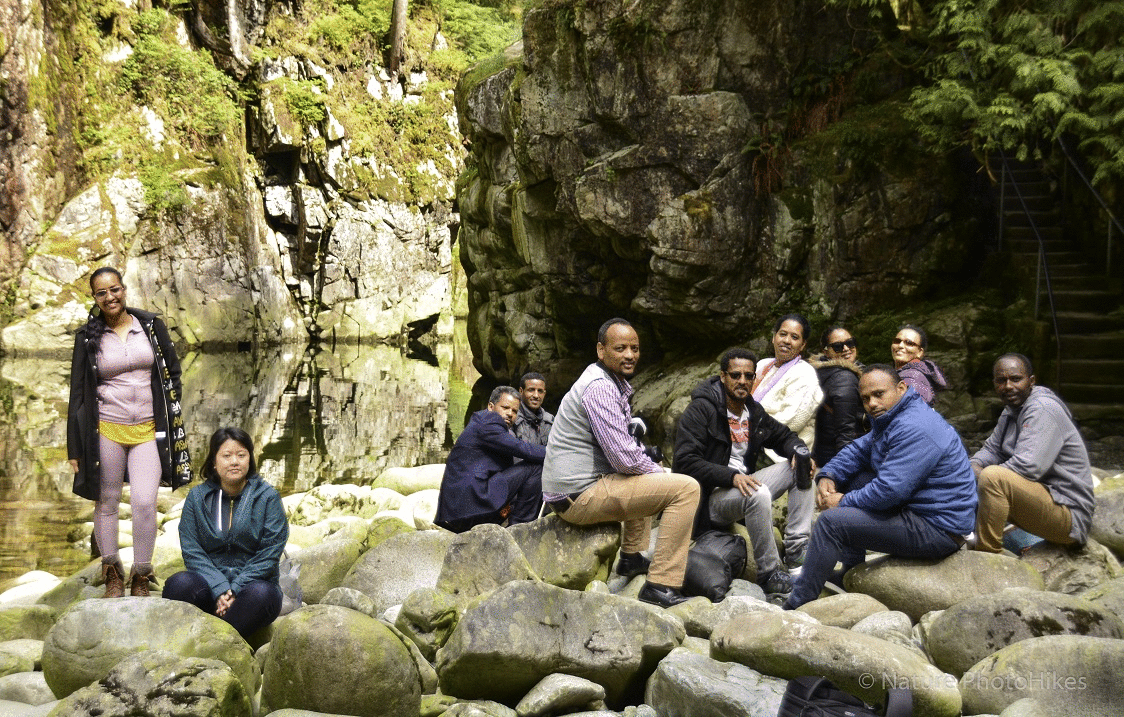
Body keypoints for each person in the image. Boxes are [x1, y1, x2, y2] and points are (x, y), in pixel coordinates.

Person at [782, 365, 977, 610]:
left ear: (901, 388)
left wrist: (841, 501)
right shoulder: (892, 417)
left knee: (830, 523)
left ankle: (797, 605)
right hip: (918, 510)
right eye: (865, 398)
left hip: (939, 529)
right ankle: (850, 575)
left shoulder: (915, 426)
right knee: (854, 479)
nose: (872, 403)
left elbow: (890, 491)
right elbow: (859, 450)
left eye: (878, 394)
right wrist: (829, 476)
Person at [542, 318, 700, 608]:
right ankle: (661, 585)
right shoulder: (600, 387)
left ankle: (631, 558)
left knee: (646, 476)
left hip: (573, 490)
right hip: (577, 495)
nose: (630, 355)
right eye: (621, 348)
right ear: (601, 350)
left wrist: (653, 472)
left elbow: (624, 453)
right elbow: (625, 459)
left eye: (635, 348)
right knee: (686, 489)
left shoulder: (605, 380)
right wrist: (661, 473)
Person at [66, 266, 192, 598]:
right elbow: (77, 395)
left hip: (148, 431)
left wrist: (170, 416)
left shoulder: (150, 326)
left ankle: (141, 574)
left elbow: (173, 374)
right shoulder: (87, 338)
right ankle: (112, 575)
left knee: (145, 502)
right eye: (101, 292)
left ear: (124, 290)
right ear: (94, 298)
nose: (110, 296)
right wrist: (74, 449)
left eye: (115, 289)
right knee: (106, 502)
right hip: (106, 429)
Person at [673, 347, 810, 598]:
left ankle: (796, 550)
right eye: (736, 375)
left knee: (800, 465)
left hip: (741, 486)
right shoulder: (702, 409)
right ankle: (769, 573)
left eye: (749, 376)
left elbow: (783, 436)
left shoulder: (752, 411)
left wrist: (798, 450)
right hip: (710, 499)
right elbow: (684, 461)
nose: (742, 381)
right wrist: (730, 476)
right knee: (758, 494)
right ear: (723, 376)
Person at [164, 428, 287, 638]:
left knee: (261, 594)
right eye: (226, 455)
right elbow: (192, 550)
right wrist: (220, 588)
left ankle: (219, 639)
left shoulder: (268, 497)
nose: (234, 462)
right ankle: (228, 630)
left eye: (241, 455)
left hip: (253, 590)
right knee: (179, 585)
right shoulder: (197, 497)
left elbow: (270, 552)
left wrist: (236, 589)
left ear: (250, 459)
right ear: (214, 460)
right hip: (208, 588)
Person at [970, 354, 1095, 553]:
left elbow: (1028, 467)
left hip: (1069, 516)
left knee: (992, 478)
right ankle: (959, 536)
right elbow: (992, 449)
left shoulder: (1043, 409)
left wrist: (981, 474)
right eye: (1001, 380)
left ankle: (987, 555)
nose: (1008, 386)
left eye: (1015, 379)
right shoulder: (1011, 408)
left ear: (1031, 381)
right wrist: (973, 466)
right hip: (1041, 498)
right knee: (969, 471)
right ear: (994, 384)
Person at [434, 386, 546, 533]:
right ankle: (520, 530)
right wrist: (556, 453)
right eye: (505, 407)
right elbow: (522, 449)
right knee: (535, 467)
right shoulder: (488, 422)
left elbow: (504, 471)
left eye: (514, 411)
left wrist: (509, 504)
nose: (510, 414)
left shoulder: (486, 425)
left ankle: (516, 524)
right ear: (490, 407)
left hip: (461, 511)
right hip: (468, 508)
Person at [752, 314, 824, 460]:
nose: (786, 341)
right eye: (783, 334)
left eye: (795, 337)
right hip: (748, 439)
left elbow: (792, 423)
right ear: (774, 337)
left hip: (774, 453)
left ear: (803, 345)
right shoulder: (762, 365)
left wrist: (743, 428)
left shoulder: (804, 374)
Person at [808, 326, 866, 467]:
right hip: (835, 456)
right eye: (838, 346)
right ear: (826, 352)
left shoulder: (820, 371)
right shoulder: (845, 378)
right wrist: (843, 470)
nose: (846, 348)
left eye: (850, 343)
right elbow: (846, 431)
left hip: (821, 452)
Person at [891, 324, 947, 407]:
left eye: (909, 343)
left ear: (920, 352)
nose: (900, 346)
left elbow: (910, 412)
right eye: (897, 341)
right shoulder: (913, 373)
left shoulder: (914, 377)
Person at [513, 372, 553, 447]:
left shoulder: (550, 420)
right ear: (521, 391)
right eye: (531, 390)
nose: (536, 395)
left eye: (540, 391)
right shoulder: (512, 417)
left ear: (544, 393)